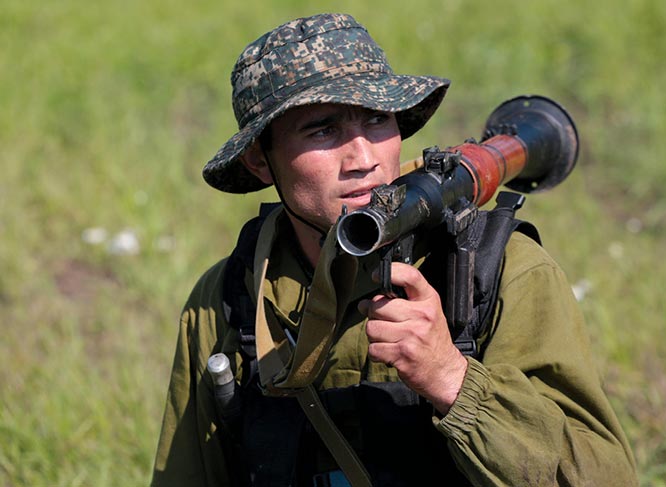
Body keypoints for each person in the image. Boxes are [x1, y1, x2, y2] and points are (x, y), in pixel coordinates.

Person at [151, 13, 638, 487]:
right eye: (322, 130)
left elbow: (602, 476)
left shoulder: (498, 270)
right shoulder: (227, 299)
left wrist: (453, 379)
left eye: (377, 120)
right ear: (260, 160)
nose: (363, 159)